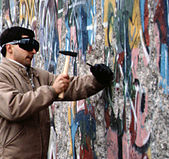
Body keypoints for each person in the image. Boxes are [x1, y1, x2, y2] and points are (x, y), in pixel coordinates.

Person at [0, 26, 113, 159]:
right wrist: (52, 90)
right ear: (9, 48)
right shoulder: (2, 75)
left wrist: (97, 80)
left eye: (35, 45)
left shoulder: (37, 75)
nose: (34, 51)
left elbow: (71, 87)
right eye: (28, 45)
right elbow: (13, 107)